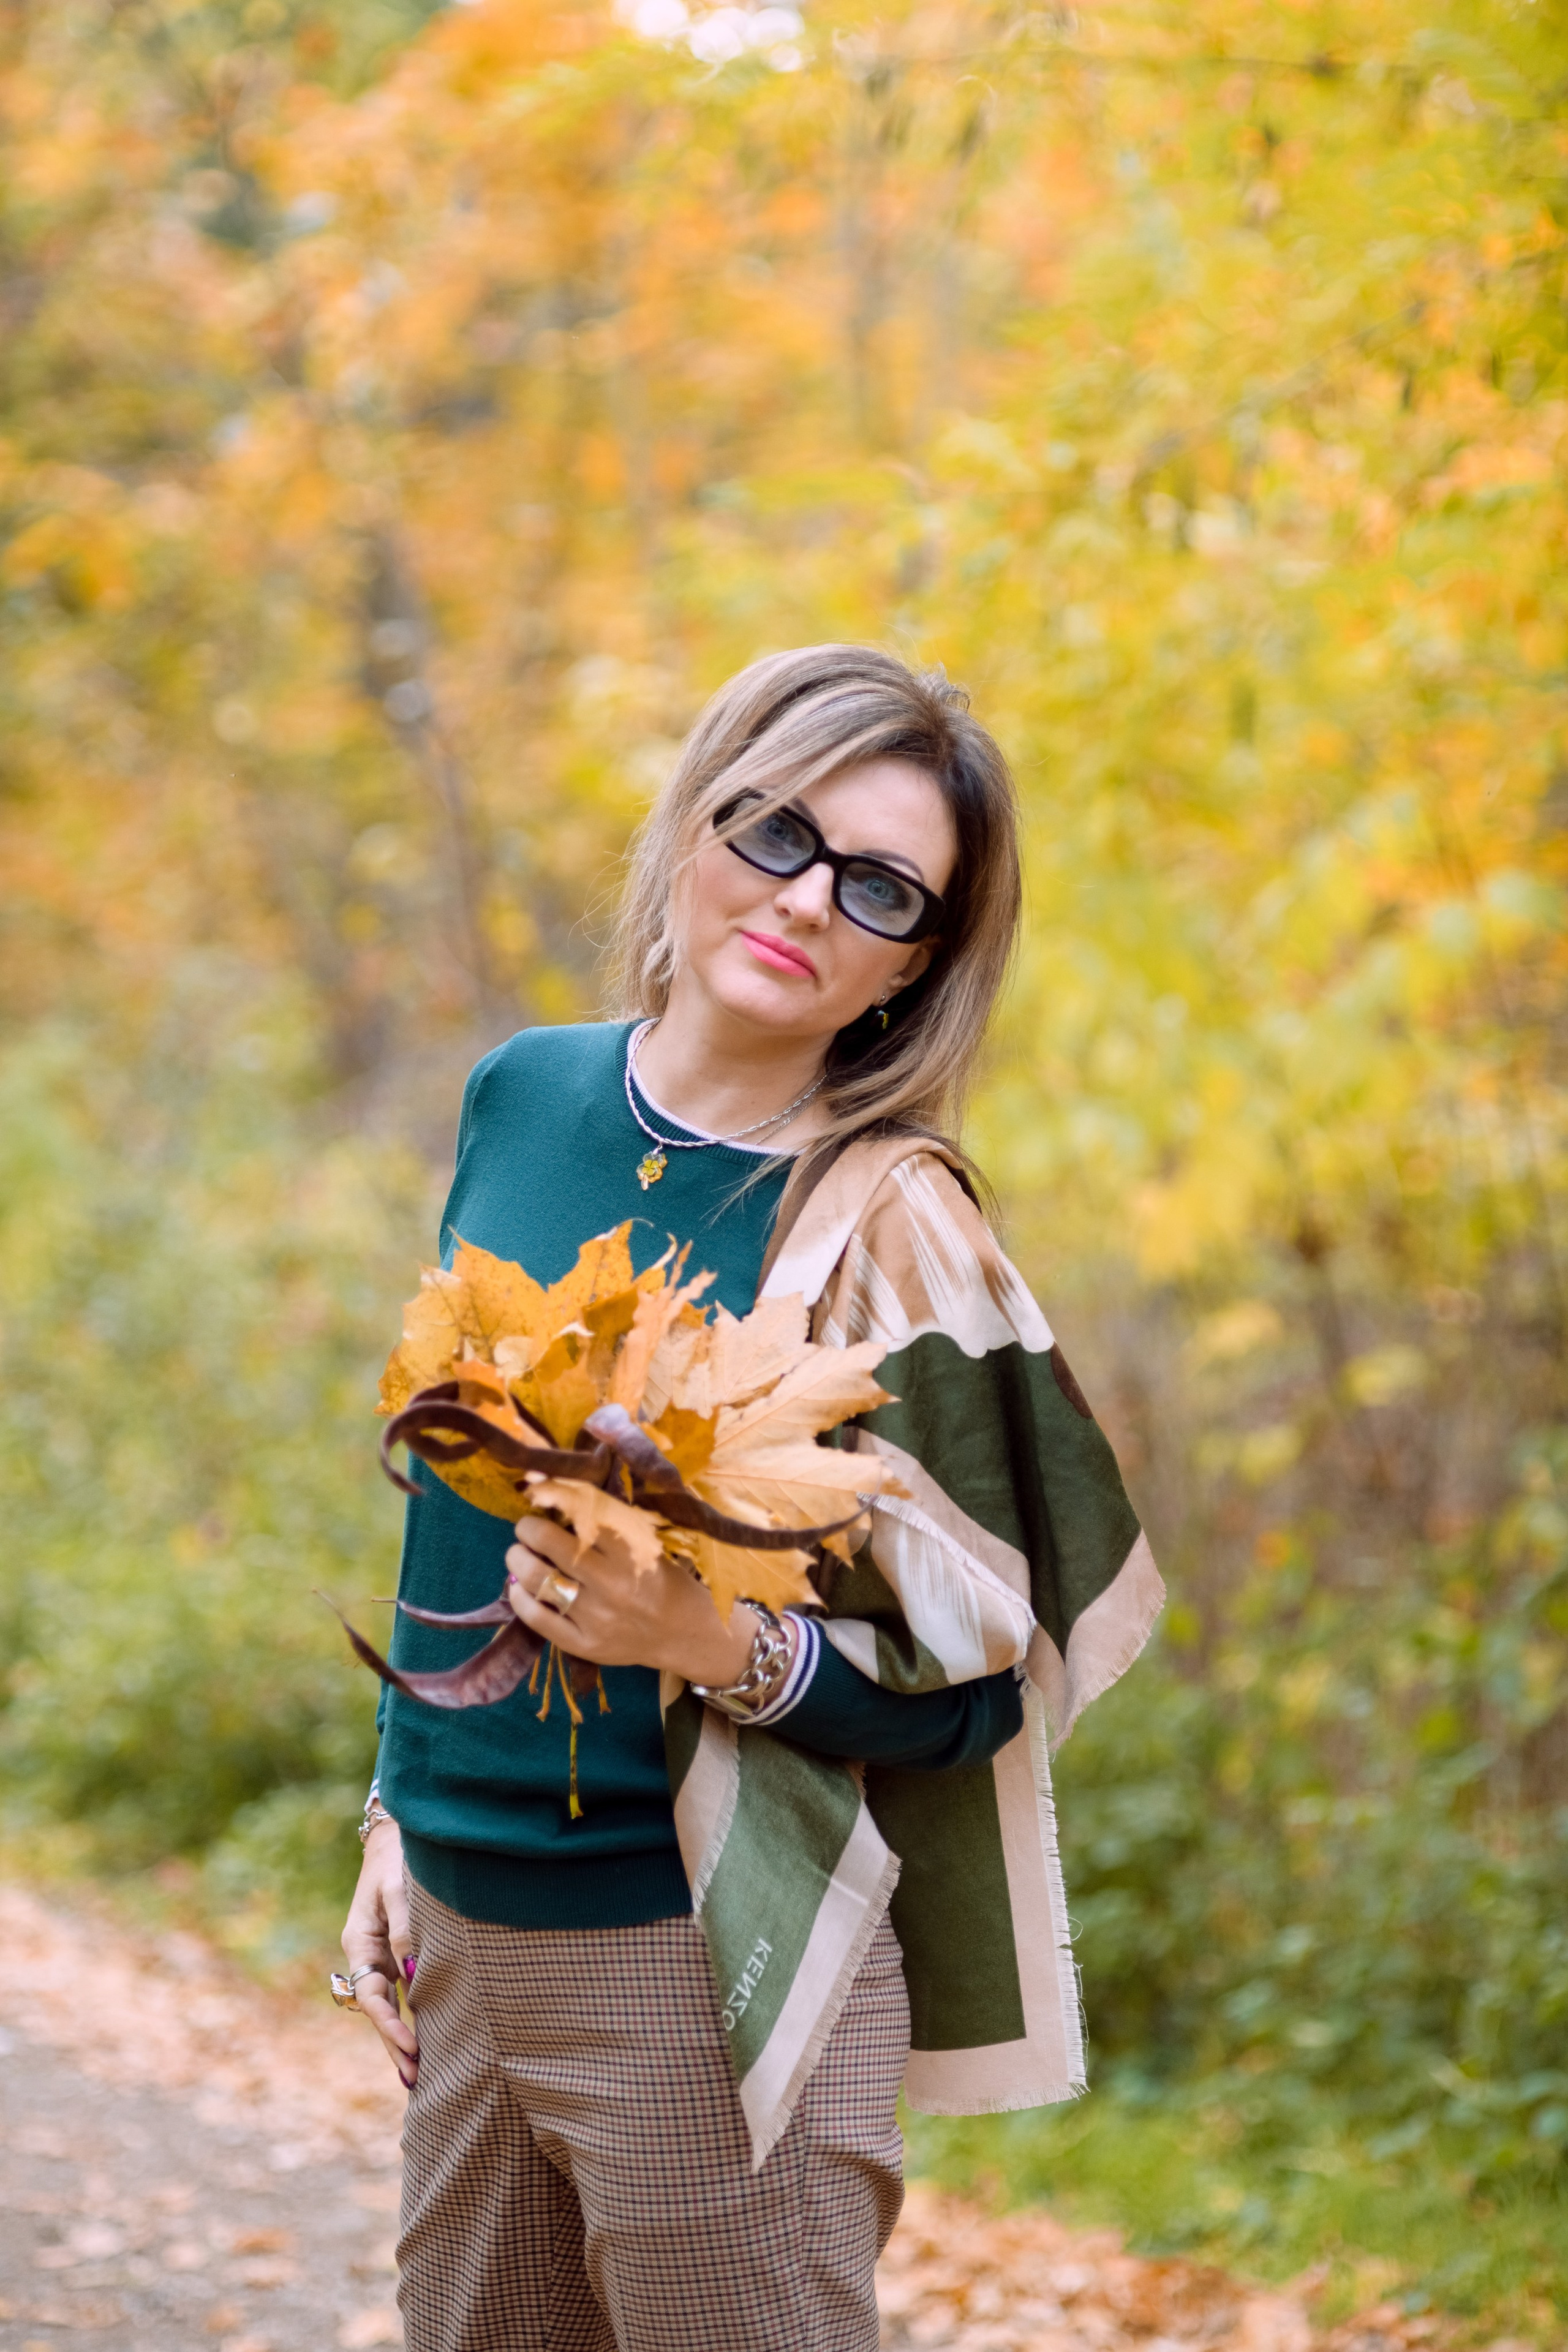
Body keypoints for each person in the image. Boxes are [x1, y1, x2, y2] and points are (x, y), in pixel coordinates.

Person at [337, 644, 1163, 2352]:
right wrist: (392, 1810)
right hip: (471, 1949)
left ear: (914, 964)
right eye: (778, 831)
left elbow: (999, 1664)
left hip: (712, 1961)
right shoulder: (525, 1092)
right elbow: (452, 1512)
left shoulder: (893, 1223)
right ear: (703, 813)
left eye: (880, 886)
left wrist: (727, 1645)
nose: (807, 899)